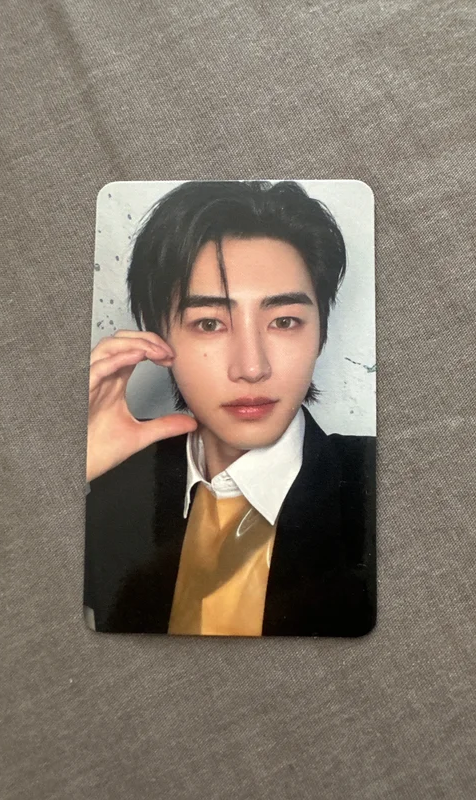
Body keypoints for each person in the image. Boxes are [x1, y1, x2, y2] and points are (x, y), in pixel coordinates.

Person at [84, 180, 376, 637]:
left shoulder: (386, 482)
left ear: (321, 332)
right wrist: (72, 469)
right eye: (209, 323)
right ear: (156, 338)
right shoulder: (108, 485)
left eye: (284, 321)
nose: (252, 368)